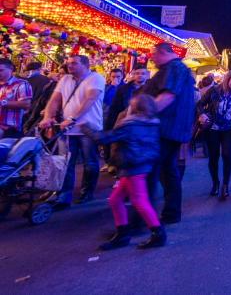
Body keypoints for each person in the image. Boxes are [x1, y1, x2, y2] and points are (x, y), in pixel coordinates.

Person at [80, 94, 165, 250]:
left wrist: (84, 127)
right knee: (116, 199)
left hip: (132, 167)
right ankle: (123, 233)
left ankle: (157, 233)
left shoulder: (130, 125)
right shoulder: (152, 124)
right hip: (141, 165)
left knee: (139, 201)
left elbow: (103, 138)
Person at [40, 55, 105, 207]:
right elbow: (55, 99)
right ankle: (64, 196)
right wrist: (48, 117)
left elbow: (90, 99)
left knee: (90, 163)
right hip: (67, 128)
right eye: (68, 63)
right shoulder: (65, 79)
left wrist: (73, 118)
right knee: (66, 163)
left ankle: (87, 193)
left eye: (74, 63)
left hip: (88, 128)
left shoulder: (95, 78)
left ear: (85, 65)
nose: (70, 66)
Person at [144, 42, 196, 224]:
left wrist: (142, 114)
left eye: (153, 54)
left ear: (162, 52)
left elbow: (167, 96)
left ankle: (144, 218)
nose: (151, 58)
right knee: (167, 171)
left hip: (165, 128)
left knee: (152, 172)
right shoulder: (179, 69)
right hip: (173, 129)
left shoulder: (174, 68)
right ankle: (170, 213)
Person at [196, 69, 231, 200]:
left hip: (229, 129)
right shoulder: (214, 91)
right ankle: (215, 183)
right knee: (213, 157)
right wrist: (201, 114)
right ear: (227, 79)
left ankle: (225, 185)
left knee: (227, 155)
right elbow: (200, 104)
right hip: (213, 128)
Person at [0, 59, 32, 139]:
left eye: (1, 70)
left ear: (10, 69)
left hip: (9, 129)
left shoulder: (21, 84)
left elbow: (26, 104)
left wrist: (3, 103)